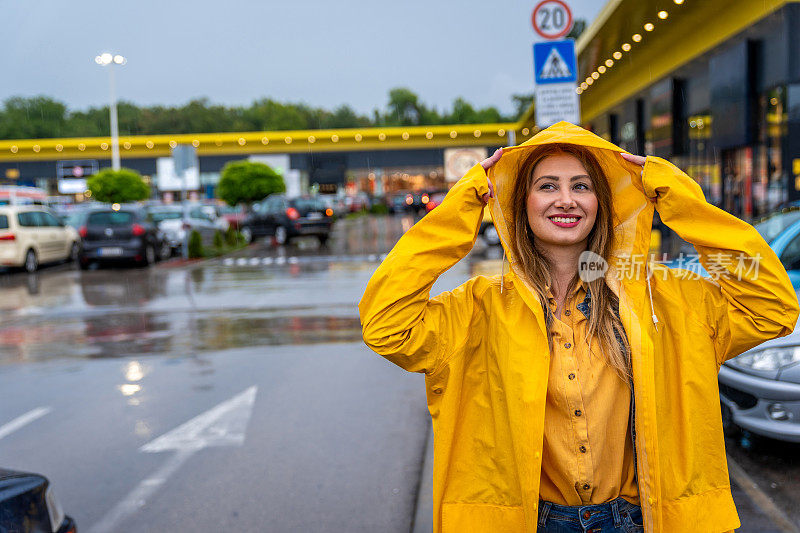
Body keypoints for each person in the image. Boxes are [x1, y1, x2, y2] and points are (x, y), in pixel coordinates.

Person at [358, 122, 798, 533]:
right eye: (547, 186)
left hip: (642, 521)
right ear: (520, 203)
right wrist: (463, 207)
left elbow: (773, 308)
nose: (565, 200)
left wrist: (680, 199)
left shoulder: (665, 297)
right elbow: (386, 324)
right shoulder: (477, 308)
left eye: (581, 186)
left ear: (601, 204)